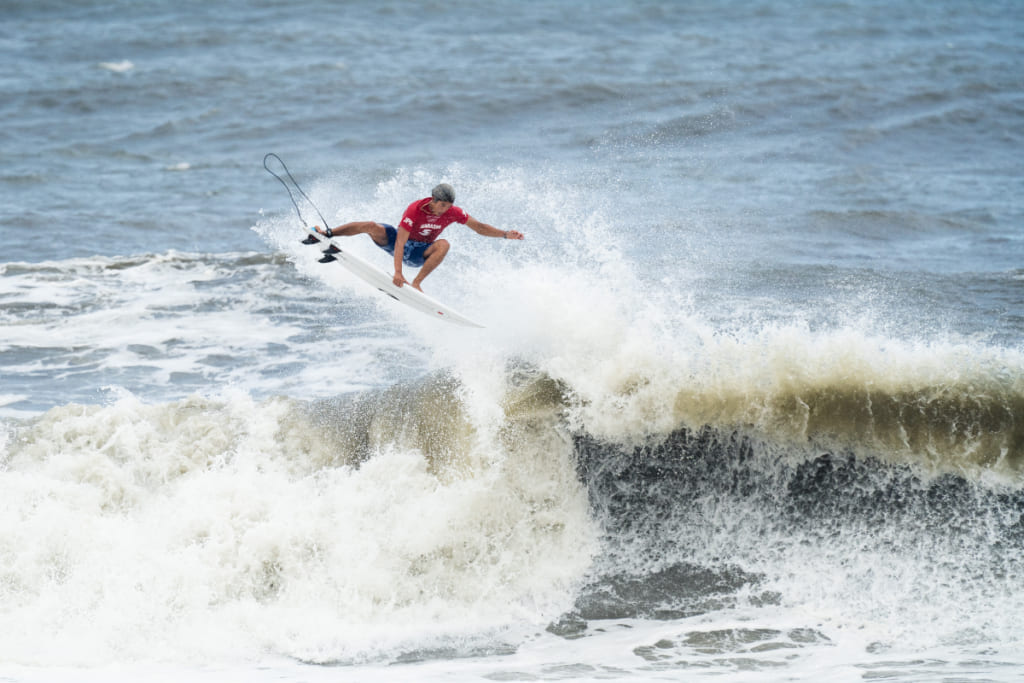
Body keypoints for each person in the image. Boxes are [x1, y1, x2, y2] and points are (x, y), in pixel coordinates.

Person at [314, 183, 524, 292]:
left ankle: (417, 283)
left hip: (418, 253)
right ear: (433, 200)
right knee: (370, 226)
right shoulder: (415, 210)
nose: (445, 210)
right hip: (398, 243)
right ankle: (328, 233)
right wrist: (397, 272)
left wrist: (505, 235)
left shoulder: (454, 212)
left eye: (448, 206)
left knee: (444, 244)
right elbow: (400, 241)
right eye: (442, 205)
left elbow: (479, 227)